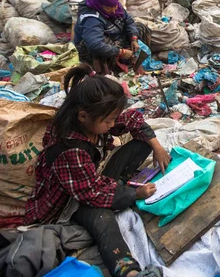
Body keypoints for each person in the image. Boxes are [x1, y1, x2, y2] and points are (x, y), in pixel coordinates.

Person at [24, 64, 171, 277]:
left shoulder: (95, 119)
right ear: (83, 117)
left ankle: (119, 187)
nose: (112, 124)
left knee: (142, 143)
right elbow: (90, 192)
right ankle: (128, 272)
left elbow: (132, 119)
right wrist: (133, 194)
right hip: (69, 202)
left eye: (113, 119)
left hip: (90, 176)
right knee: (103, 219)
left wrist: (157, 147)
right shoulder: (69, 148)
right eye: (108, 121)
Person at [74, 0, 151, 75]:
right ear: (99, 5)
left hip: (116, 37)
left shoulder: (114, 6)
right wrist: (121, 52)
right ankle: (108, 71)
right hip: (98, 45)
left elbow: (129, 21)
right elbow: (95, 44)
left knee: (140, 27)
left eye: (115, 6)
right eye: (108, 8)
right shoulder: (91, 18)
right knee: (100, 46)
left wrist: (133, 39)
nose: (114, 10)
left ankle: (134, 61)